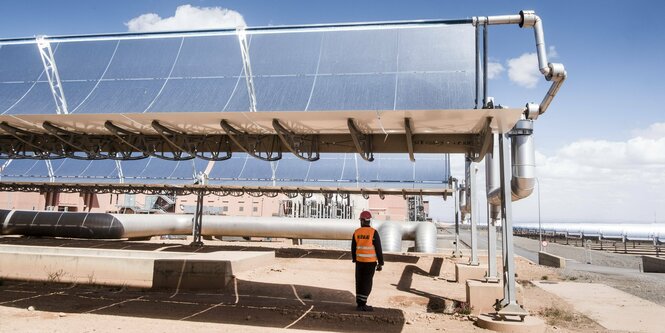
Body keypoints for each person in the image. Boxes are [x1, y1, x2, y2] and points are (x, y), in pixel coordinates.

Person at [351, 210, 384, 312]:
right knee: (367, 283)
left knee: (359, 282)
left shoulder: (357, 232)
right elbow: (378, 248)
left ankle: (359, 303)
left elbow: (353, 247)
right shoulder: (373, 232)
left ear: (361, 221)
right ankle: (363, 304)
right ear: (369, 221)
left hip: (359, 262)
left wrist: (354, 259)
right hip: (370, 262)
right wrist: (380, 263)